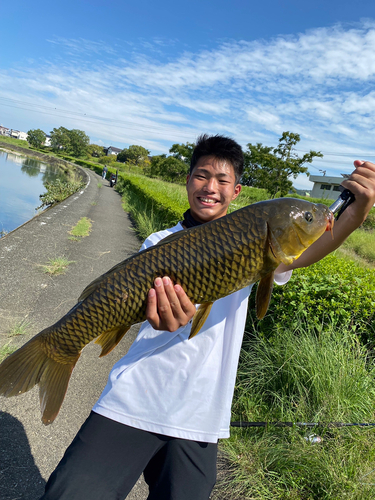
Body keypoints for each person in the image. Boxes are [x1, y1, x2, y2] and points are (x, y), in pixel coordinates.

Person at [40, 135, 375, 500]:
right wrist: (158, 318)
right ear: (187, 180)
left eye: (222, 180)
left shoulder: (259, 241)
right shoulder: (159, 241)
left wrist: (356, 213)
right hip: (134, 398)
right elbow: (131, 306)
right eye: (201, 175)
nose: (210, 187)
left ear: (236, 191)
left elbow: (317, 244)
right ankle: (57, 348)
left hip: (201, 416)